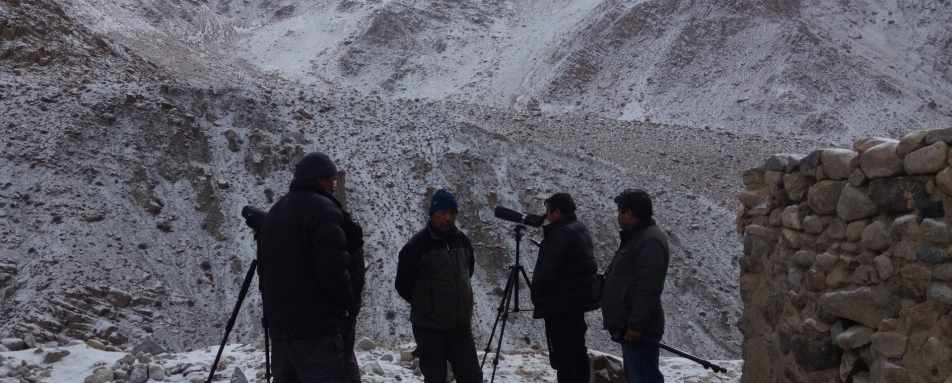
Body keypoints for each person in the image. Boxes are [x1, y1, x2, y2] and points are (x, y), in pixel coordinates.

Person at [257, 152, 365, 383]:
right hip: (318, 332)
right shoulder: (325, 211)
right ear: (320, 179)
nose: (334, 186)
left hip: (281, 332)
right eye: (331, 180)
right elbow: (333, 271)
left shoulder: (275, 212)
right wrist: (347, 307)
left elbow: (263, 274)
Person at [395, 189, 483, 383]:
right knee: (435, 378)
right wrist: (428, 303)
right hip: (430, 329)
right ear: (433, 213)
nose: (447, 218)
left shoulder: (462, 241)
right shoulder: (417, 246)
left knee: (472, 377)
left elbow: (468, 272)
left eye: (451, 213)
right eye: (442, 213)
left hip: (460, 327)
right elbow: (402, 285)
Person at [601, 189, 670, 383]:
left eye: (621, 211)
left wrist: (636, 325)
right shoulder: (637, 237)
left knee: (644, 377)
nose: (618, 216)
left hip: (640, 329)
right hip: (630, 326)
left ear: (631, 213)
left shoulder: (650, 241)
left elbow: (648, 287)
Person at [531, 193, 599, 383]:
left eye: (548, 211)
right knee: (577, 352)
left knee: (565, 359)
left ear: (557, 212)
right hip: (576, 305)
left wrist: (538, 298)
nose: (546, 216)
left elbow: (547, 272)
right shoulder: (579, 229)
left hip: (560, 306)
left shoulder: (560, 235)